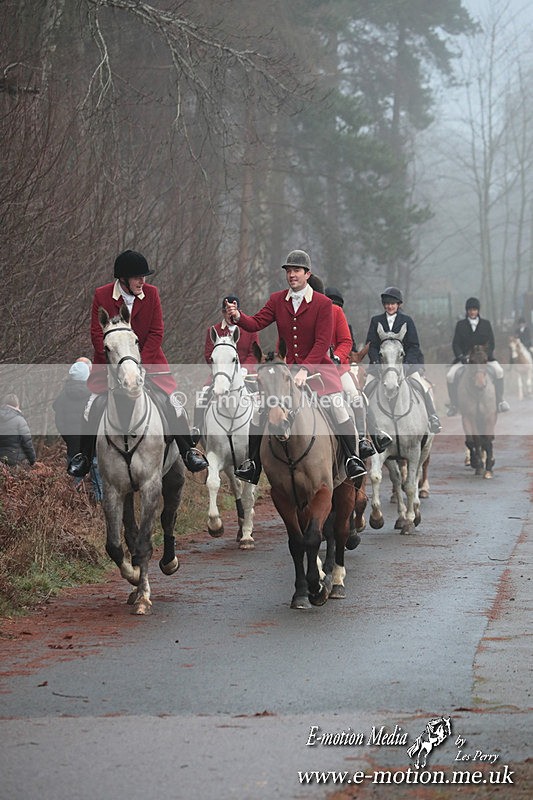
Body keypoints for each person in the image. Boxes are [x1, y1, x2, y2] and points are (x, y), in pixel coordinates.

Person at [225, 249, 367, 484]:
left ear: (307, 274)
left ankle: (352, 458)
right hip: (286, 371)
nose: (292, 275)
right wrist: (238, 316)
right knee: (260, 413)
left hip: (319, 371)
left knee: (338, 407)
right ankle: (252, 464)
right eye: (289, 271)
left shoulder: (323, 303)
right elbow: (257, 322)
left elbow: (322, 342)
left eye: (296, 270)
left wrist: (305, 369)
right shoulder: (277, 299)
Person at [67, 249, 208, 477]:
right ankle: (83, 456)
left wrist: (139, 363)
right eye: (137, 277)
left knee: (172, 403)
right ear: (123, 279)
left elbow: (156, 332)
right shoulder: (102, 295)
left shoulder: (152, 294)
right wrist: (118, 364)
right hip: (111, 365)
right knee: (92, 406)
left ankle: (188, 451)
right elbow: (96, 334)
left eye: (144, 277)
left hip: (149, 363)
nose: (142, 281)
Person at [308, 277, 382, 460]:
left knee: (355, 396)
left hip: (338, 369)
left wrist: (337, 358)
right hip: (310, 371)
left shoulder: (336, 313)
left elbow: (347, 342)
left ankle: (362, 440)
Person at [365, 286, 442, 434]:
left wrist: (407, 364)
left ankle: (433, 417)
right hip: (381, 365)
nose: (390, 306)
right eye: (387, 304)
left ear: (398, 304)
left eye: (393, 303)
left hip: (405, 365)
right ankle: (362, 423)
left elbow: (414, 345)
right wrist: (376, 362)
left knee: (421, 386)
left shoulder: (407, 320)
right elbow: (372, 345)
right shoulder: (376, 320)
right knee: (366, 390)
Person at [193, 295, 260, 440]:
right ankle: (197, 428)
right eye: (225, 311)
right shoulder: (214, 330)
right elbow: (209, 355)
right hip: (220, 373)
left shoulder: (250, 329)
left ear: (238, 311)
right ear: (222, 312)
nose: (229, 315)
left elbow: (254, 354)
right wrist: (220, 369)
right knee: (202, 396)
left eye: (232, 311)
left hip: (246, 375)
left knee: (262, 398)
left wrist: (245, 368)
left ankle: (262, 433)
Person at [446, 297, 510, 416]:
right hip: (466, 359)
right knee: (450, 375)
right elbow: (456, 344)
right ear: (467, 311)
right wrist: (461, 356)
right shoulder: (460, 325)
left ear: (478, 310)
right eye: (470, 310)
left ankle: (500, 401)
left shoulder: (486, 324)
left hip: (484, 358)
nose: (472, 312)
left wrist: (486, 355)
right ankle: (454, 405)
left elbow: (491, 343)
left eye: (474, 309)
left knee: (499, 371)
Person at [53, 358, 103, 500]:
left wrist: (69, 439)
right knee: (98, 481)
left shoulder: (62, 396)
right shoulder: (93, 395)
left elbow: (59, 422)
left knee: (75, 481)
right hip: (92, 445)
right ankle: (98, 506)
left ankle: (72, 506)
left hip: (73, 445)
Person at [0, 393, 37, 467]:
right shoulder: (20, 420)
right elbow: (27, 443)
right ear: (17, 405)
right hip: (15, 461)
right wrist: (32, 460)